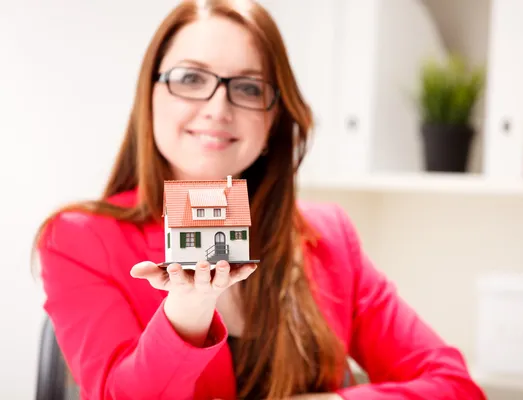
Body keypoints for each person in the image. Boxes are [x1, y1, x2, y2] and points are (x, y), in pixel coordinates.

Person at [33, 0, 486, 399]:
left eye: (248, 88)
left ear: (274, 120)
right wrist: (187, 314)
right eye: (190, 78)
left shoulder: (329, 237)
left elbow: (456, 387)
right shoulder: (78, 240)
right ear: (149, 98)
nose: (217, 108)